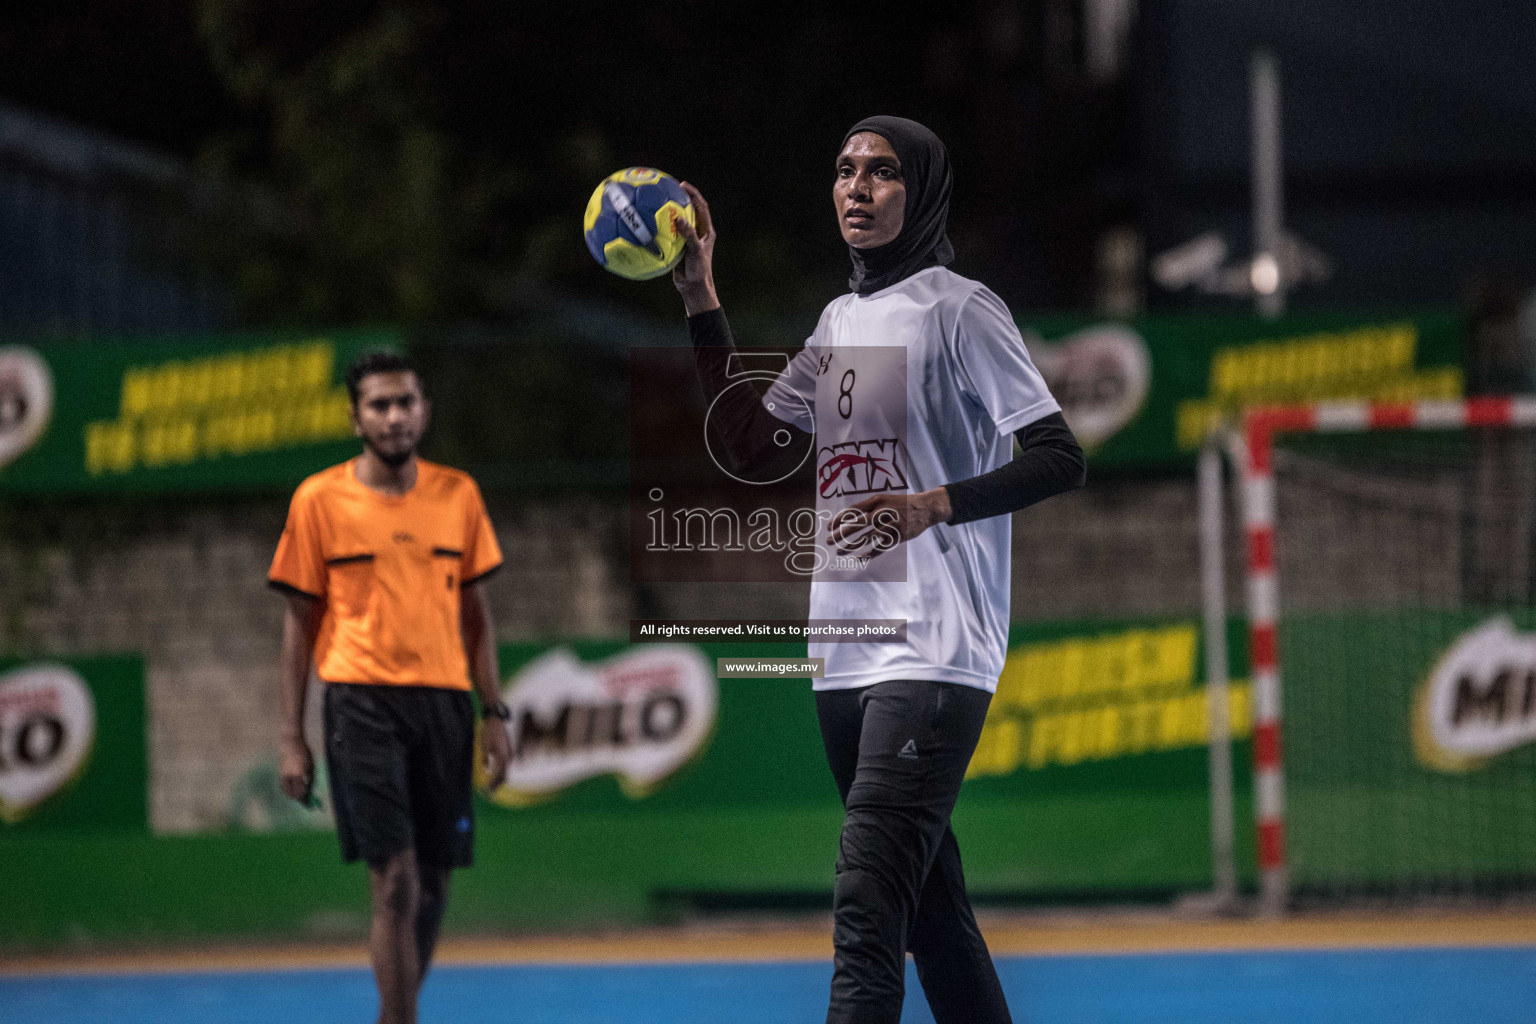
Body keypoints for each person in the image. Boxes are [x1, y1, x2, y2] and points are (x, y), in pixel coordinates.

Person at [671, 116, 1086, 1024]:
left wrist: (932, 503)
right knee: (930, 916)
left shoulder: (961, 308)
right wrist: (702, 296)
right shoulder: (840, 321)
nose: (857, 187)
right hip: (847, 654)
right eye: (845, 170)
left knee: (865, 913)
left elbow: (1060, 455)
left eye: (883, 172)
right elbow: (748, 446)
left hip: (934, 654)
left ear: (923, 191)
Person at [268, 351, 513, 1024]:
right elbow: (297, 628)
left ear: (424, 411)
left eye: (405, 402)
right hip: (359, 704)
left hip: (443, 706)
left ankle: (390, 1013)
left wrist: (493, 712)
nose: (395, 415)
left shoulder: (458, 494)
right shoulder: (318, 500)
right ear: (355, 418)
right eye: (379, 404)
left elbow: (478, 616)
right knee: (395, 881)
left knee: (432, 883)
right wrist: (291, 738)